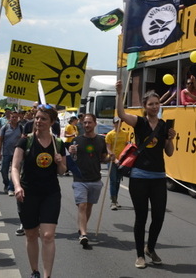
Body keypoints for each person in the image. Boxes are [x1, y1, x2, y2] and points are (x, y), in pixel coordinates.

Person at [115, 80, 176, 269]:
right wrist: (119, 93)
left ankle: (150, 247)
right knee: (141, 217)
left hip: (159, 177)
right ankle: (140, 255)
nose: (155, 107)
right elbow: (122, 114)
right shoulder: (139, 122)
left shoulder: (165, 125)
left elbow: (170, 152)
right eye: (151, 104)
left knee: (158, 217)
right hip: (139, 176)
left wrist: (171, 138)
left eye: (157, 103)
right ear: (144, 106)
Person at [11, 104, 67, 278]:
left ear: (51, 122)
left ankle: (47, 275)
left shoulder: (58, 143)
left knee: (48, 235)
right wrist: (17, 186)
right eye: (37, 118)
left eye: (43, 118)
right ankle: (34, 270)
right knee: (31, 234)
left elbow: (62, 171)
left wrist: (60, 162)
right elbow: (14, 166)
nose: (38, 121)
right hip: (28, 193)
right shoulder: (25, 140)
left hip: (50, 193)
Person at [68, 113, 109, 248]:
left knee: (89, 206)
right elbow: (70, 158)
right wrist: (71, 151)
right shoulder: (76, 140)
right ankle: (84, 234)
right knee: (82, 205)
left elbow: (103, 158)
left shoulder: (101, 140)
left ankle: (82, 226)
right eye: (84, 123)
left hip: (95, 179)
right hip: (80, 179)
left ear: (95, 123)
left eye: (89, 122)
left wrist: (111, 157)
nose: (86, 125)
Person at [105, 117, 131, 210]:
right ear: (113, 124)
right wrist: (112, 155)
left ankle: (116, 199)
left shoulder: (125, 134)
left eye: (120, 123)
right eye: (116, 123)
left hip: (121, 161)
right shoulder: (110, 134)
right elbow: (108, 148)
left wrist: (129, 144)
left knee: (117, 181)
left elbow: (127, 145)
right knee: (113, 180)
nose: (118, 124)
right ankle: (113, 202)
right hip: (112, 160)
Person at [0, 110, 22, 196]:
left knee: (14, 170)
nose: (14, 118)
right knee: (3, 170)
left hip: (17, 153)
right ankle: (6, 183)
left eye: (16, 117)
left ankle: (11, 188)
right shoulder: (5, 127)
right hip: (6, 152)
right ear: (10, 117)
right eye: (13, 117)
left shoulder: (21, 128)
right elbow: (0, 140)